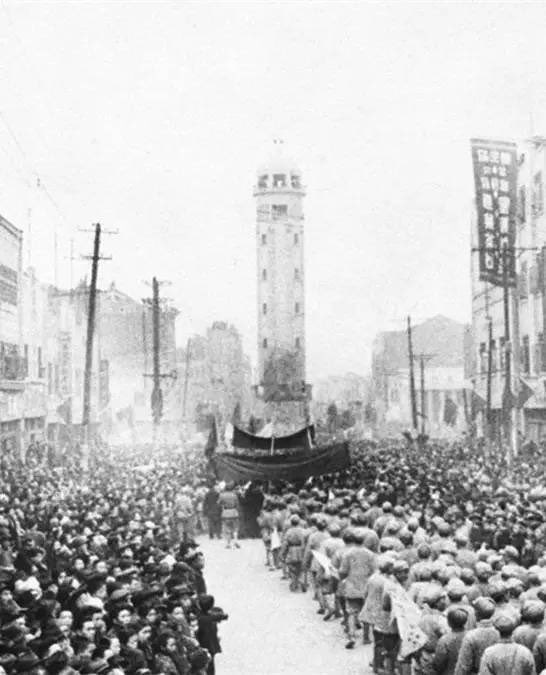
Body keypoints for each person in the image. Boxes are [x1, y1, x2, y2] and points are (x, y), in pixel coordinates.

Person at [218, 483, 240, 549]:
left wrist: (223, 505)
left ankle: (228, 544)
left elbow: (218, 503)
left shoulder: (222, 495)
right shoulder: (234, 495)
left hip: (225, 513)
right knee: (235, 528)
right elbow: (237, 504)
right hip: (234, 512)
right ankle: (235, 541)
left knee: (227, 528)